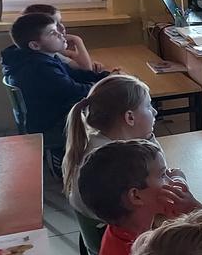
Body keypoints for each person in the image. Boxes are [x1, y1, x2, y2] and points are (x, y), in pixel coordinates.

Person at [0, 13, 111, 152]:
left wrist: (106, 76)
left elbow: (75, 74)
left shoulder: (39, 58)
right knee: (114, 112)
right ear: (35, 45)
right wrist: (108, 85)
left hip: (52, 118)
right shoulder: (39, 67)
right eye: (53, 33)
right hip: (52, 128)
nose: (61, 34)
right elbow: (74, 91)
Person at [63, 74, 161, 219]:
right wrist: (179, 180)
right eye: (148, 106)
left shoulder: (97, 143)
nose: (154, 112)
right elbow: (159, 194)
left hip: (102, 227)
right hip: (119, 228)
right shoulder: (119, 161)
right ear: (130, 117)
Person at [21, 3, 101, 72]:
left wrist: (88, 60)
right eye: (54, 26)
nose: (62, 28)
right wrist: (78, 40)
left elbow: (72, 55)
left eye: (61, 22)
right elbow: (86, 70)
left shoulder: (49, 51)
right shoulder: (45, 57)